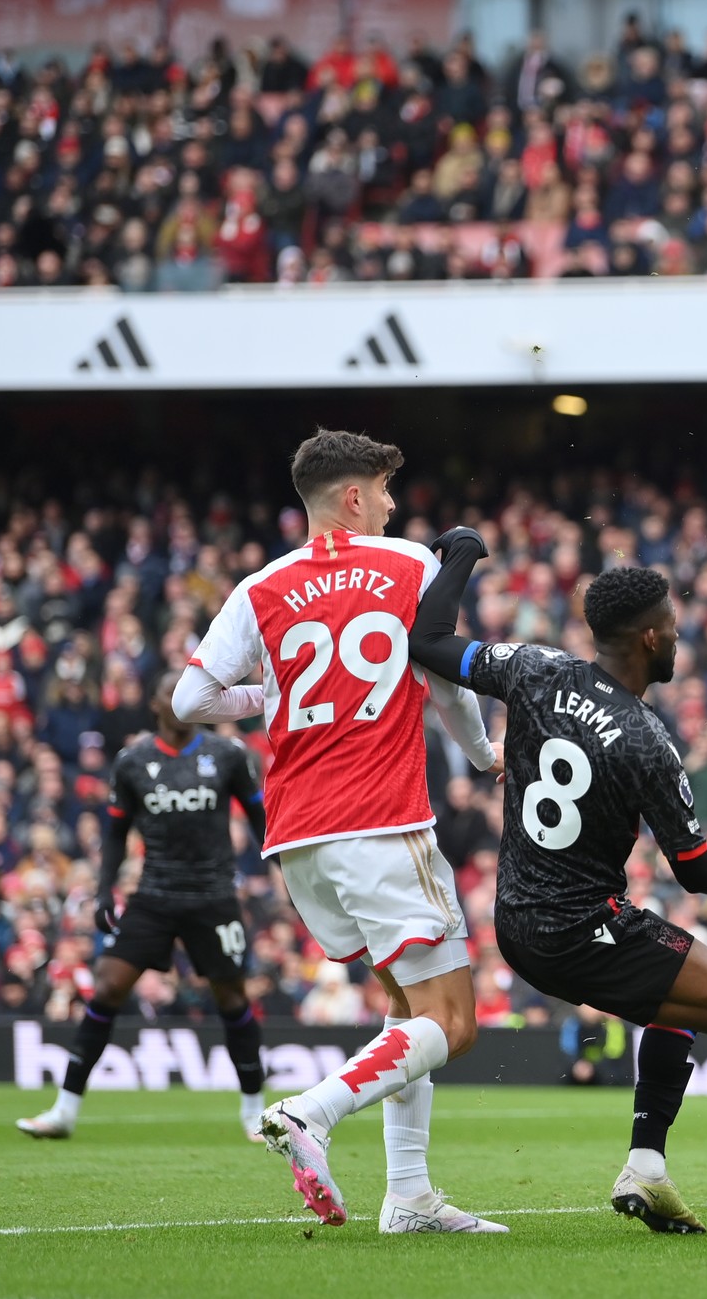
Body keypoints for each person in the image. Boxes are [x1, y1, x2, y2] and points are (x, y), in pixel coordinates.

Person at [408, 549, 707, 1242]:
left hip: (516, 918)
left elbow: (426, 642)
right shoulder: (648, 741)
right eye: (671, 625)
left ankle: (645, 1164)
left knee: (683, 998)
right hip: (580, 925)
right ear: (648, 637)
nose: (678, 635)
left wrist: (457, 555)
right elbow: (697, 869)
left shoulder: (534, 667)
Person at [174, 428, 503, 1234]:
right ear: (354, 497)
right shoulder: (412, 567)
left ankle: (412, 1196)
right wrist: (486, 754)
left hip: (297, 837)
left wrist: (268, 698)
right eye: (386, 491)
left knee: (404, 1003)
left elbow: (191, 701)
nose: (394, 506)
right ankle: (311, 1113)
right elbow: (445, 676)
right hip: (382, 822)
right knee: (453, 1022)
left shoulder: (261, 586)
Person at [16, 670, 269, 1142]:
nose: (180, 702)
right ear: (154, 704)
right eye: (170, 694)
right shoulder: (132, 761)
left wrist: (283, 874)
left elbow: (261, 819)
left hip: (213, 896)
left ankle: (255, 1112)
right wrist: (105, 889)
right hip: (153, 894)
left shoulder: (228, 754)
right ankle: (65, 1110)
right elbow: (114, 834)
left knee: (233, 998)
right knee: (107, 987)